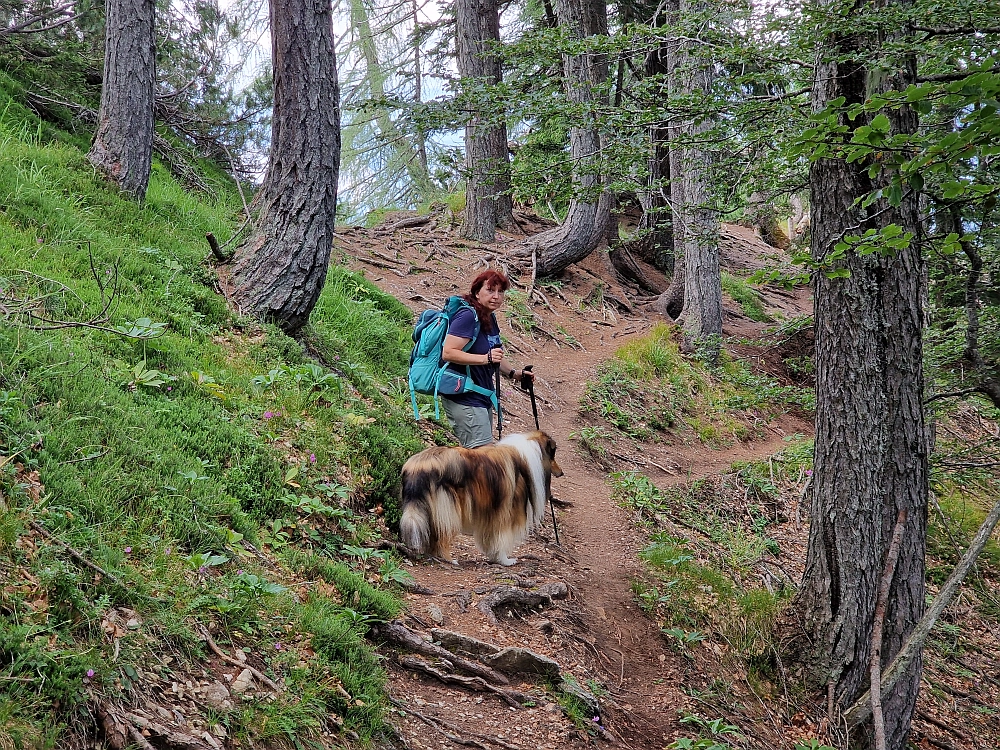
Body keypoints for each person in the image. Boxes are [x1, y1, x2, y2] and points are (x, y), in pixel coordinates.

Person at [440, 270, 534, 448]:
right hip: (464, 396)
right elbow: (449, 352)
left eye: (500, 291)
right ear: (477, 293)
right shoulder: (468, 317)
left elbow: (494, 354)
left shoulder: (489, 318)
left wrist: (514, 373)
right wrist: (485, 359)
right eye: (490, 290)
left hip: (481, 396)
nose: (496, 296)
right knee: (483, 455)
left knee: (479, 457)